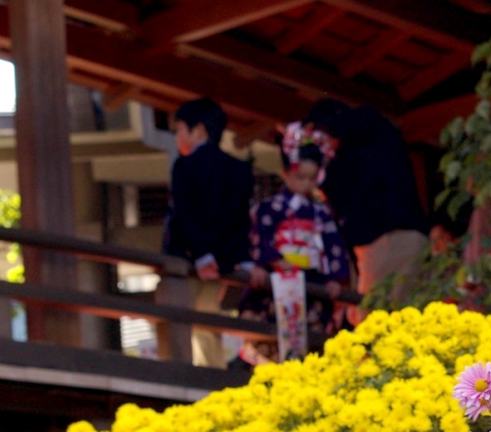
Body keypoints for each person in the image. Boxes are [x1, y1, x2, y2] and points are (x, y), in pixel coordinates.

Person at [303, 98, 428, 319]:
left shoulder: (368, 128)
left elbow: (352, 124)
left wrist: (315, 131)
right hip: (378, 247)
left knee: (377, 321)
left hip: (391, 240)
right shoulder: (344, 164)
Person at [237, 124, 349, 364]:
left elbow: (333, 246)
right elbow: (260, 237)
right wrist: (274, 260)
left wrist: (336, 278)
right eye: (300, 177)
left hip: (311, 280)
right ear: (285, 172)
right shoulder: (269, 208)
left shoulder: (321, 212)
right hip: (277, 279)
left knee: (312, 339)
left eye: (312, 178)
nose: (305, 184)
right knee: (270, 335)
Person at [162, 97, 253, 367]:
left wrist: (201, 254)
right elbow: (240, 220)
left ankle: (178, 373)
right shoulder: (239, 169)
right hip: (221, 262)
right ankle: (212, 376)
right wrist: (239, 257)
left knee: (177, 320)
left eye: (179, 129)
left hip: (187, 259)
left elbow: (185, 214)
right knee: (207, 322)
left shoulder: (184, 166)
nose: (177, 136)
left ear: (198, 130)